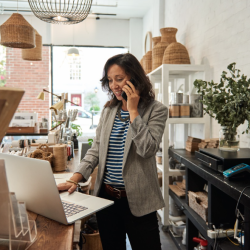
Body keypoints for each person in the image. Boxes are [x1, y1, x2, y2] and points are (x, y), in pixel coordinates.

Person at [58, 53, 168, 250]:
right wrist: (75, 178)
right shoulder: (109, 111)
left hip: (140, 202)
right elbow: (96, 150)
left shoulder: (156, 110)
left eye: (119, 79)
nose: (114, 85)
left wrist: (133, 111)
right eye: (110, 80)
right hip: (106, 201)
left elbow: (147, 149)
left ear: (135, 78)